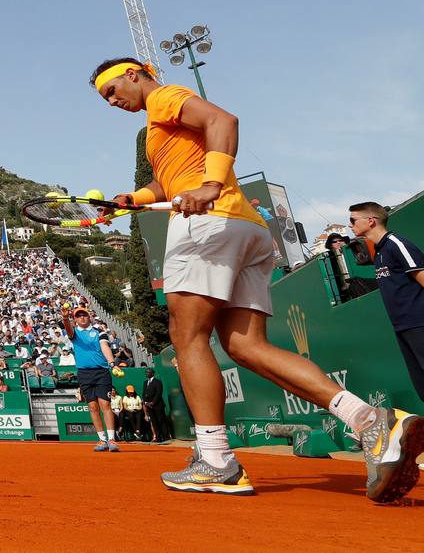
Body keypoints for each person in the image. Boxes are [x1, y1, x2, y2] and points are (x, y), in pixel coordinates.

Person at [94, 58, 422, 501]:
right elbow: (171, 181)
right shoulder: (158, 128)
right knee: (247, 346)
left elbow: (223, 120)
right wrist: (133, 198)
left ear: (133, 74)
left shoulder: (163, 98)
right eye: (105, 99)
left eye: (112, 90)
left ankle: (214, 460)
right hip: (245, 229)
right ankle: (370, 421)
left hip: (209, 226)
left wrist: (210, 185)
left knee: (187, 336)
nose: (112, 102)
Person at [349, 202, 424, 406]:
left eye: (353, 220)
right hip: (402, 327)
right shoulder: (379, 252)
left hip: (419, 323)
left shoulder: (396, 243)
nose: (350, 226)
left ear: (370, 221)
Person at [64, 305, 118, 452]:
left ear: (89, 317)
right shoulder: (74, 333)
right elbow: (68, 329)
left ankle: (112, 439)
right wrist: (64, 317)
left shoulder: (99, 332)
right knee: (92, 407)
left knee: (105, 405)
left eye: (84, 315)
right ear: (75, 319)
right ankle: (102, 440)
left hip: (101, 372)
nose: (82, 317)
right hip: (84, 373)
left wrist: (112, 363)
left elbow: (105, 348)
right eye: (78, 316)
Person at [141, 368, 171, 444]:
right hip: (149, 406)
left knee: (161, 421)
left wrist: (153, 402)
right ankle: (158, 437)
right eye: (146, 372)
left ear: (152, 373)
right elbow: (144, 393)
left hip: (157, 405)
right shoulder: (145, 383)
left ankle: (165, 436)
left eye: (148, 372)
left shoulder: (157, 382)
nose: (147, 373)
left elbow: (159, 393)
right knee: (154, 422)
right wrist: (145, 402)